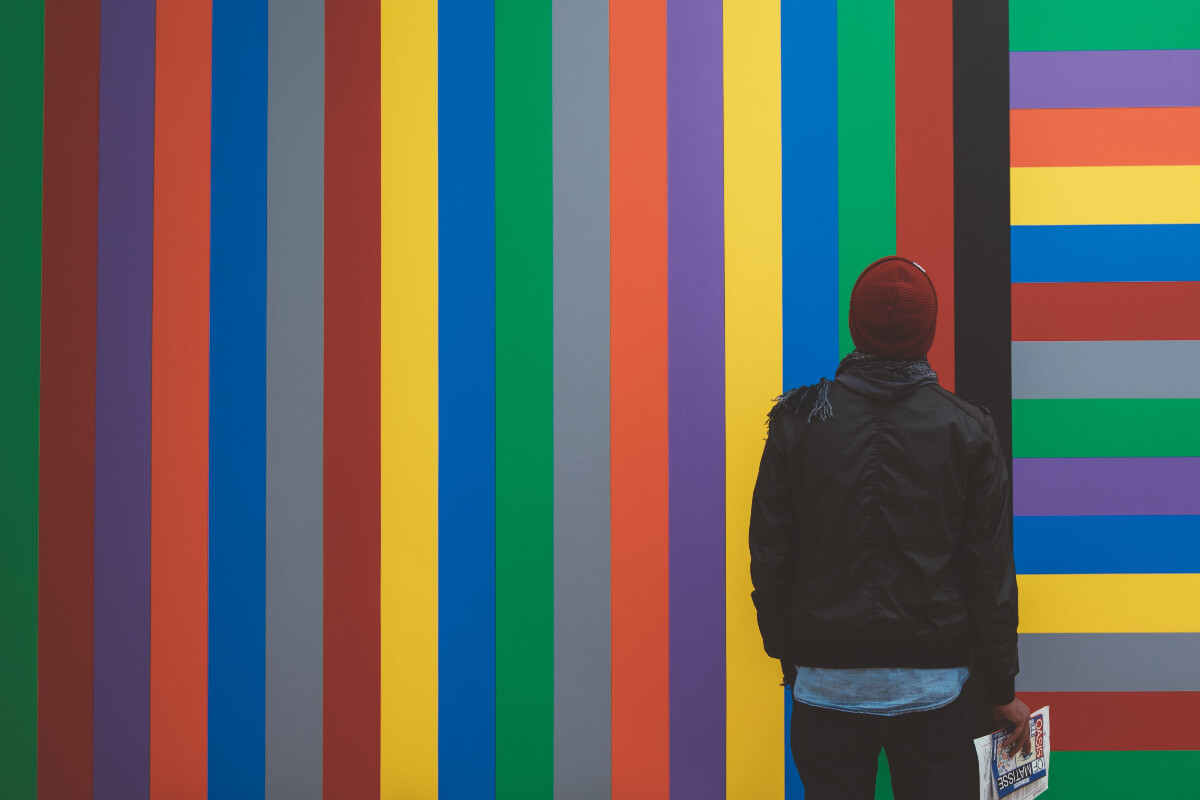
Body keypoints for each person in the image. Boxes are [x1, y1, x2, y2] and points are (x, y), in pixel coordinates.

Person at [749, 256, 1029, 800]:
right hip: (935, 695)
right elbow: (989, 571)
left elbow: (771, 555)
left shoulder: (797, 421)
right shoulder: (969, 429)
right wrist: (1000, 688)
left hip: (823, 685)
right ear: (929, 332)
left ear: (855, 326)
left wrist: (791, 655)